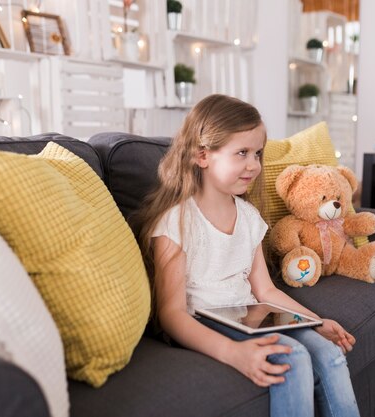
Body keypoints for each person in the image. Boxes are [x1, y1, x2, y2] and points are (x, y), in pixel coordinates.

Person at [135, 94, 360, 417]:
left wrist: (315, 321)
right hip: (203, 318)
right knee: (292, 356)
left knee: (328, 351)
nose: (254, 165)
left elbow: (265, 290)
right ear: (202, 156)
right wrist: (233, 353)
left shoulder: (250, 217)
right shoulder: (176, 222)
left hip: (247, 313)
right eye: (242, 153)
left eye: (257, 154)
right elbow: (172, 313)